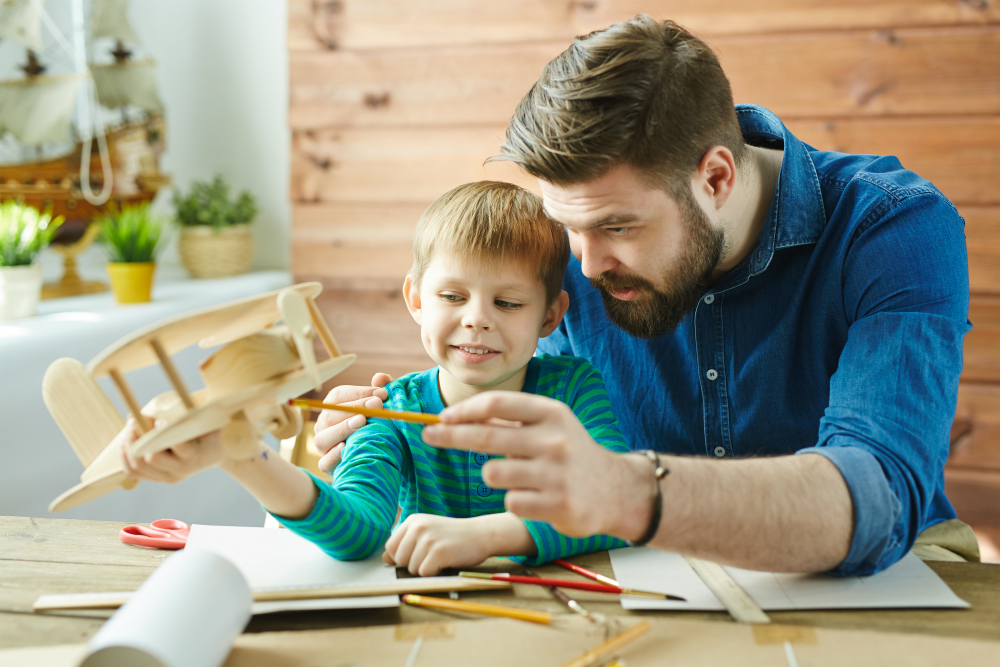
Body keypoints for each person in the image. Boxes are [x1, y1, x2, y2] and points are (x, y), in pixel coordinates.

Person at [318, 16, 978, 576]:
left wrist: (632, 492)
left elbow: (880, 495)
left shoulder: (894, 227)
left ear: (716, 177)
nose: (585, 262)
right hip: (640, 573)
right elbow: (516, 441)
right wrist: (384, 432)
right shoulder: (576, 250)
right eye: (568, 225)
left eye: (618, 226)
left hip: (886, 578)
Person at [118, 181, 629, 575]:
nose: (477, 318)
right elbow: (358, 533)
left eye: (508, 302)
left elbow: (620, 501)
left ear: (549, 316)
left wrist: (488, 536)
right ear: (415, 299)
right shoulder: (387, 410)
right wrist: (242, 457)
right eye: (452, 297)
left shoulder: (574, 388)